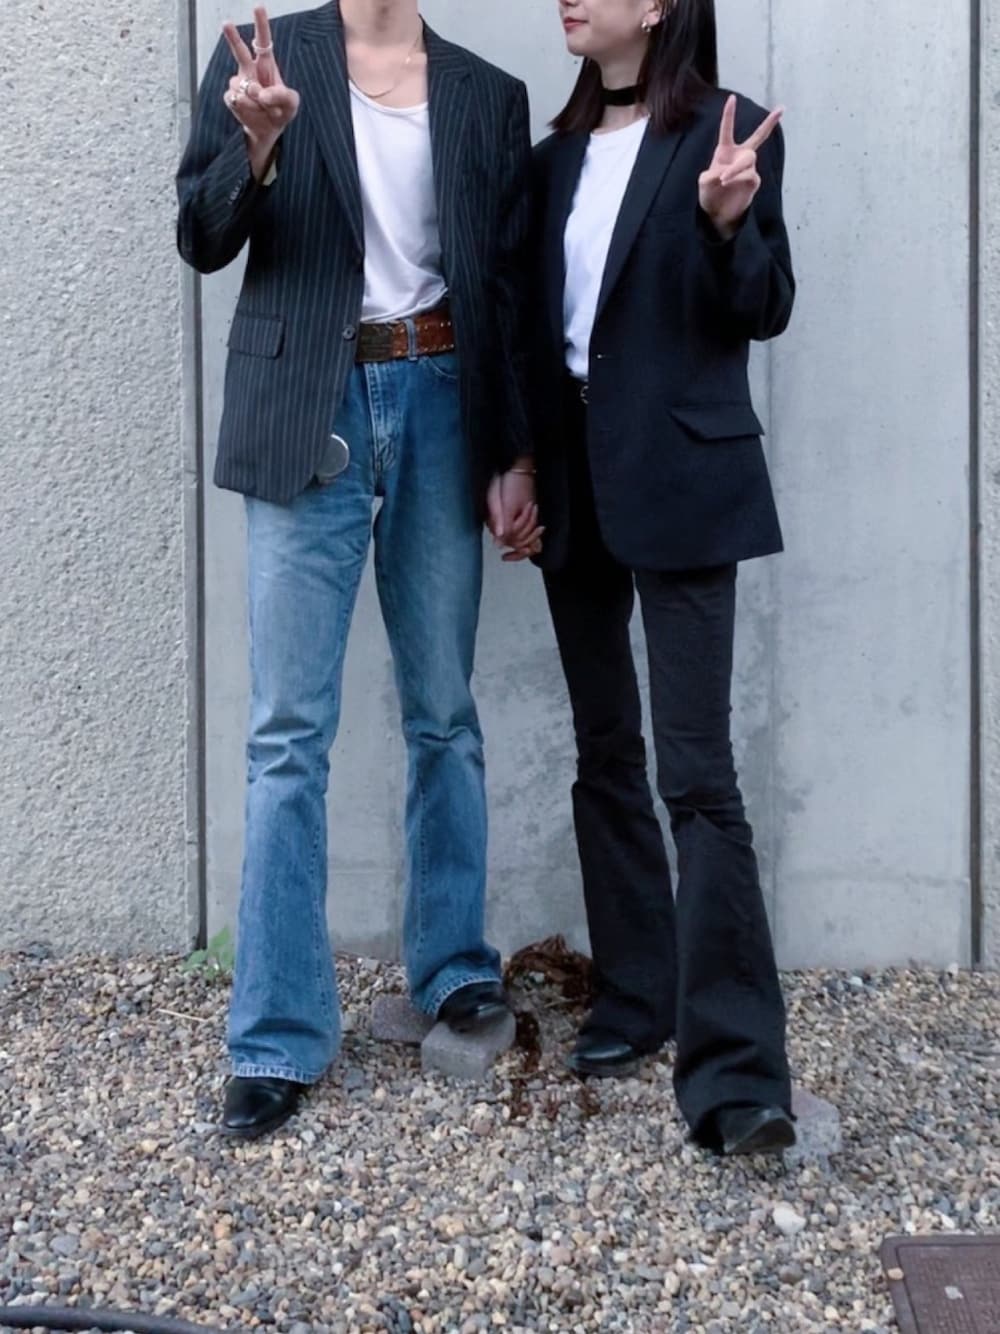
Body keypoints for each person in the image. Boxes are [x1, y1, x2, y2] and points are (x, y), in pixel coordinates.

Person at [176, 0, 541, 1139]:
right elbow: (200, 235)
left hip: (439, 395)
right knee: (288, 731)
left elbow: (504, 289)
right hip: (309, 402)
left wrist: (513, 451)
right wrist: (258, 145)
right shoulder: (263, 62)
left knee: (444, 711)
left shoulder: (486, 94)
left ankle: (453, 964)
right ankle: (276, 1033)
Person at [527, 0, 796, 1155]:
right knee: (605, 750)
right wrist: (515, 463)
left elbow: (764, 309)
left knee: (697, 772)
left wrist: (730, 226)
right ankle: (638, 995)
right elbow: (533, 329)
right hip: (574, 482)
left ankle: (736, 1073)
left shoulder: (730, 133)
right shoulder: (552, 159)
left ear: (658, 7)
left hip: (683, 474)